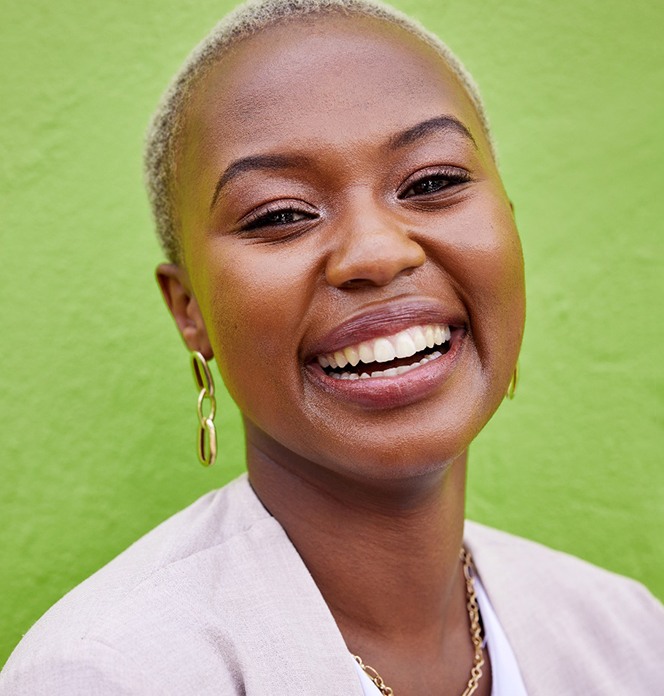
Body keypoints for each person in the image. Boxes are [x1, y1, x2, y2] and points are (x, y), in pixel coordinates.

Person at [1, 0, 662, 694]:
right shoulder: (108, 672)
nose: (376, 252)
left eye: (433, 182)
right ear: (188, 309)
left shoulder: (629, 638)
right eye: (280, 214)